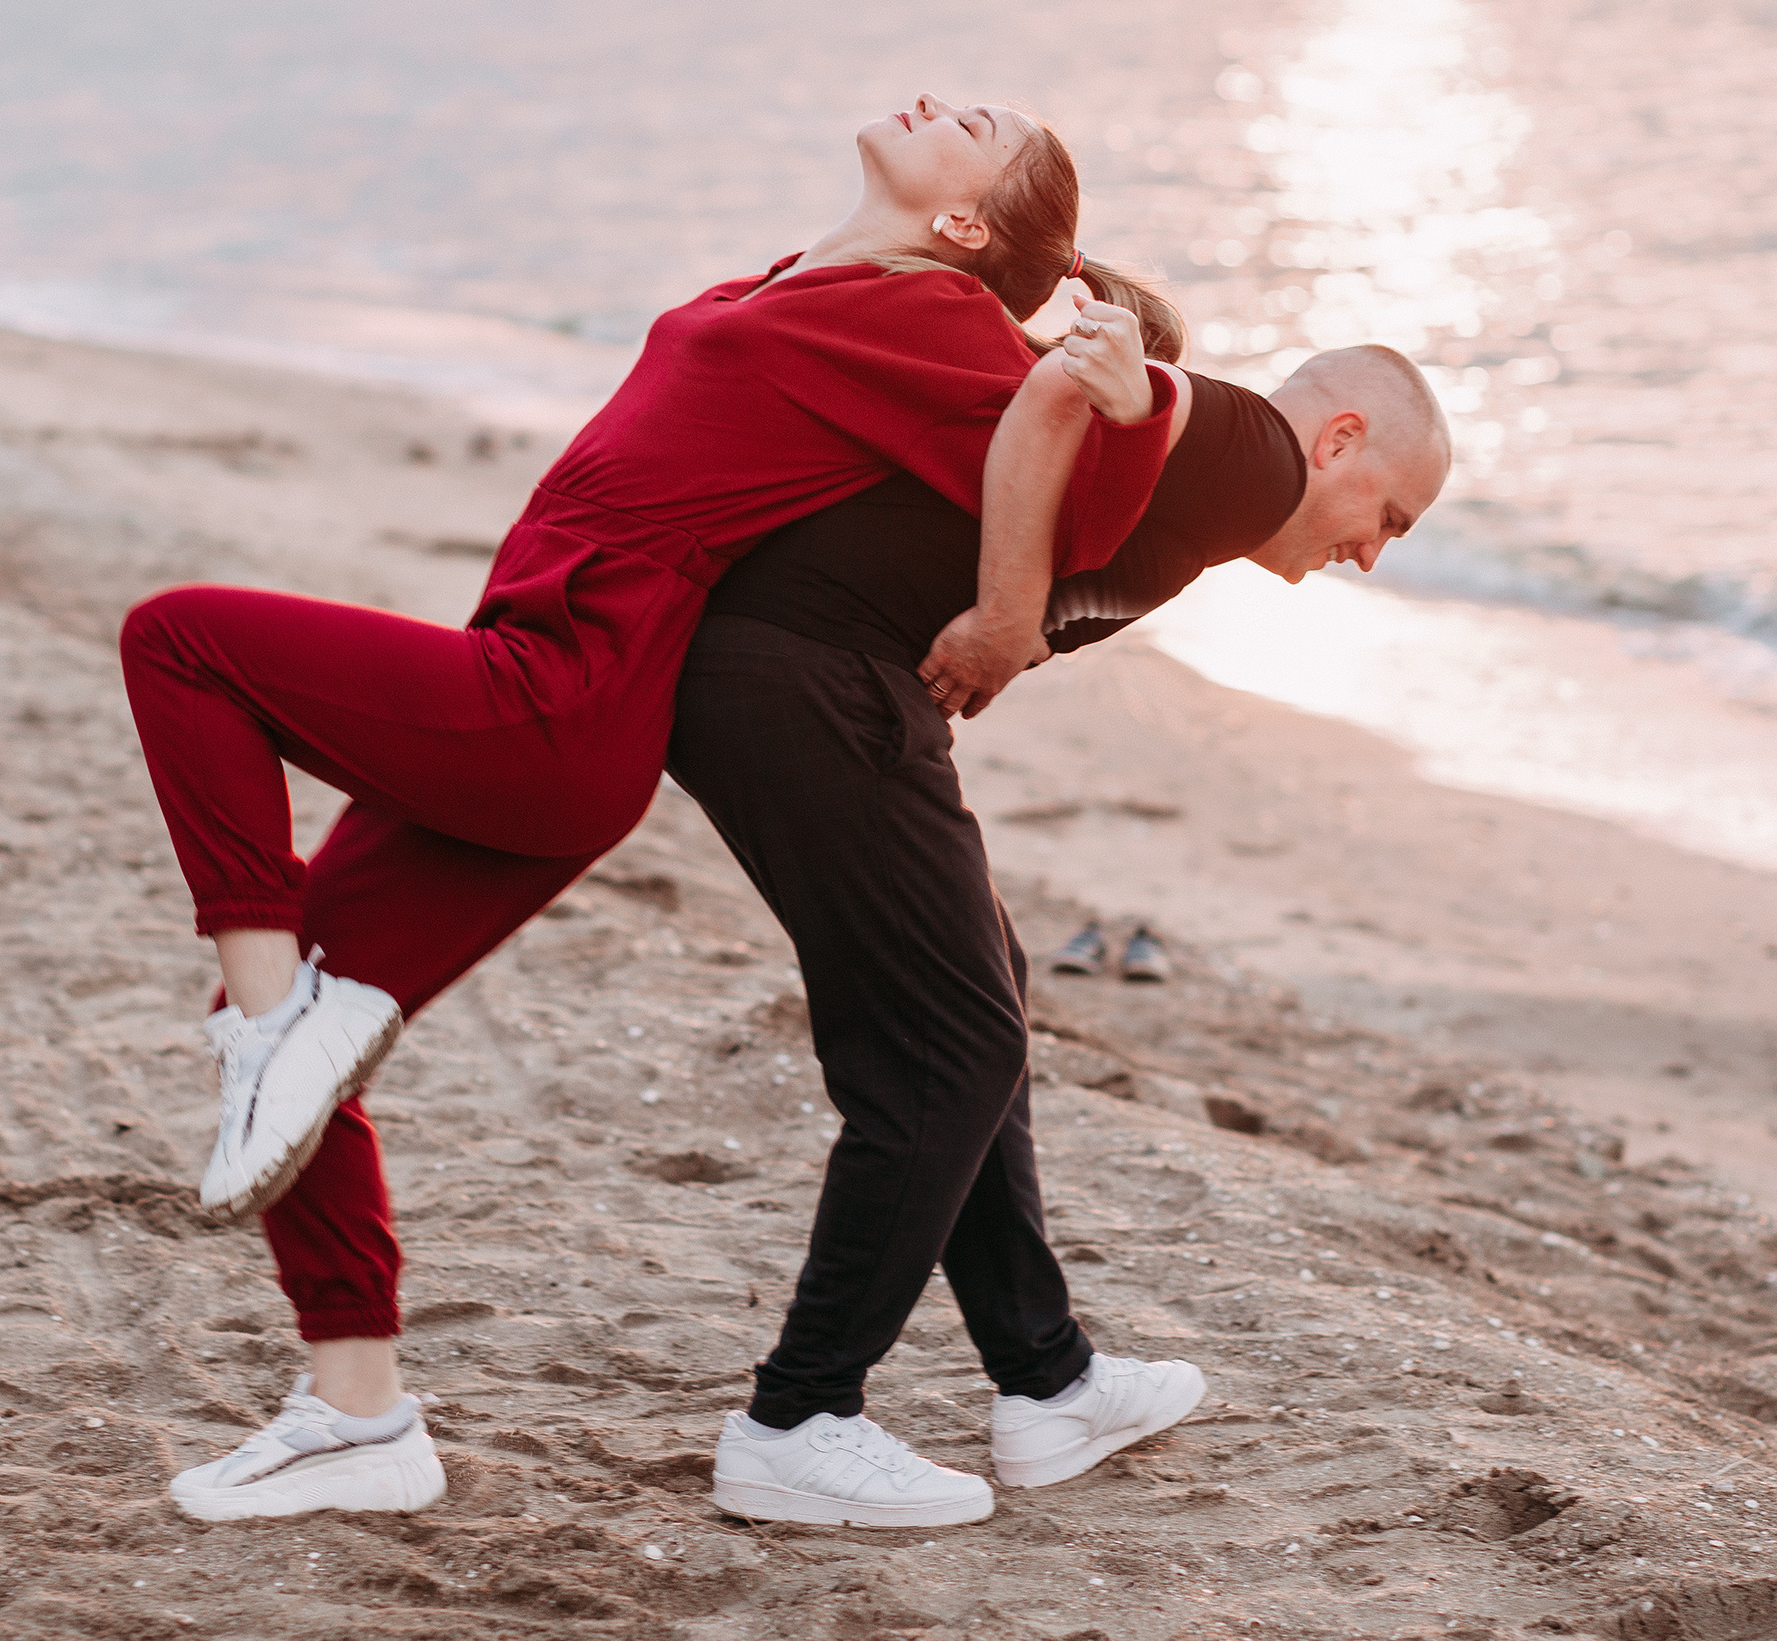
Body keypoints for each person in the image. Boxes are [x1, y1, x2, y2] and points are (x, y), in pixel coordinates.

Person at [122, 94, 1189, 1522]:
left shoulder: (939, 322)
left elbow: (1066, 502)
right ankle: (356, 1412)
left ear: (966, 224)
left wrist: (1143, 400)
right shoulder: (795, 282)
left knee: (180, 642)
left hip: (554, 692)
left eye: (983, 128)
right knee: (326, 1011)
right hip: (529, 682)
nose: (950, 99)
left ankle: (268, 1029)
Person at [667, 344, 1453, 1526]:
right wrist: (1001, 609)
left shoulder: (1213, 496)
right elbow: (1082, 388)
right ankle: (799, 1416)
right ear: (1336, 439)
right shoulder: (1254, 454)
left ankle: (1048, 1381)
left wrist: (1004, 609)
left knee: (982, 1000)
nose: (1372, 550)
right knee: (953, 1046)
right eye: (1386, 513)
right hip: (808, 674)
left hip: (800, 678)